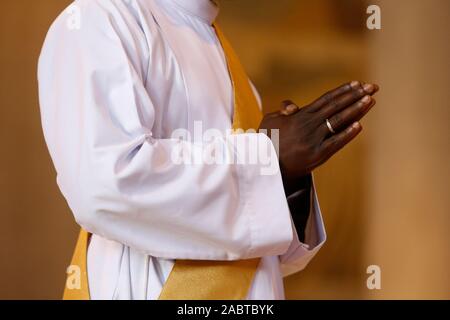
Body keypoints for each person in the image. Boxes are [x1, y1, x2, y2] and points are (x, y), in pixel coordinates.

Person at [38, 0, 378, 300]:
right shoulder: (101, 18)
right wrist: (267, 158)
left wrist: (288, 178)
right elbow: (105, 185)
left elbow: (254, 250)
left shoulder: (221, 49)